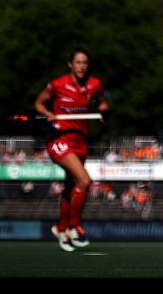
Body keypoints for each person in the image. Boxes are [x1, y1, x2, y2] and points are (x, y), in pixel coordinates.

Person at [34, 47, 109, 252]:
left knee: (72, 188)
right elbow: (39, 104)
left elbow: (102, 103)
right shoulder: (57, 85)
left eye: (85, 62)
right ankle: (74, 227)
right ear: (70, 64)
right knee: (84, 180)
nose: (82, 66)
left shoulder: (94, 84)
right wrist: (48, 113)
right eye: (78, 62)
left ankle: (60, 228)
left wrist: (104, 111)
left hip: (81, 141)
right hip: (60, 140)